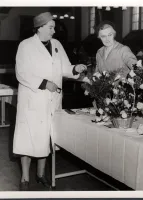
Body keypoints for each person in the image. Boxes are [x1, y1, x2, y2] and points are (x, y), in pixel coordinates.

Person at [12, 12, 87, 191]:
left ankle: (40, 175)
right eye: (51, 28)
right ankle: (24, 178)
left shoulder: (57, 45)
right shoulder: (26, 46)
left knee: (46, 138)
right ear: (39, 28)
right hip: (33, 100)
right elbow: (21, 72)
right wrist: (45, 83)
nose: (54, 31)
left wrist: (75, 68)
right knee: (28, 139)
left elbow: (65, 68)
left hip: (51, 101)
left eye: (54, 27)